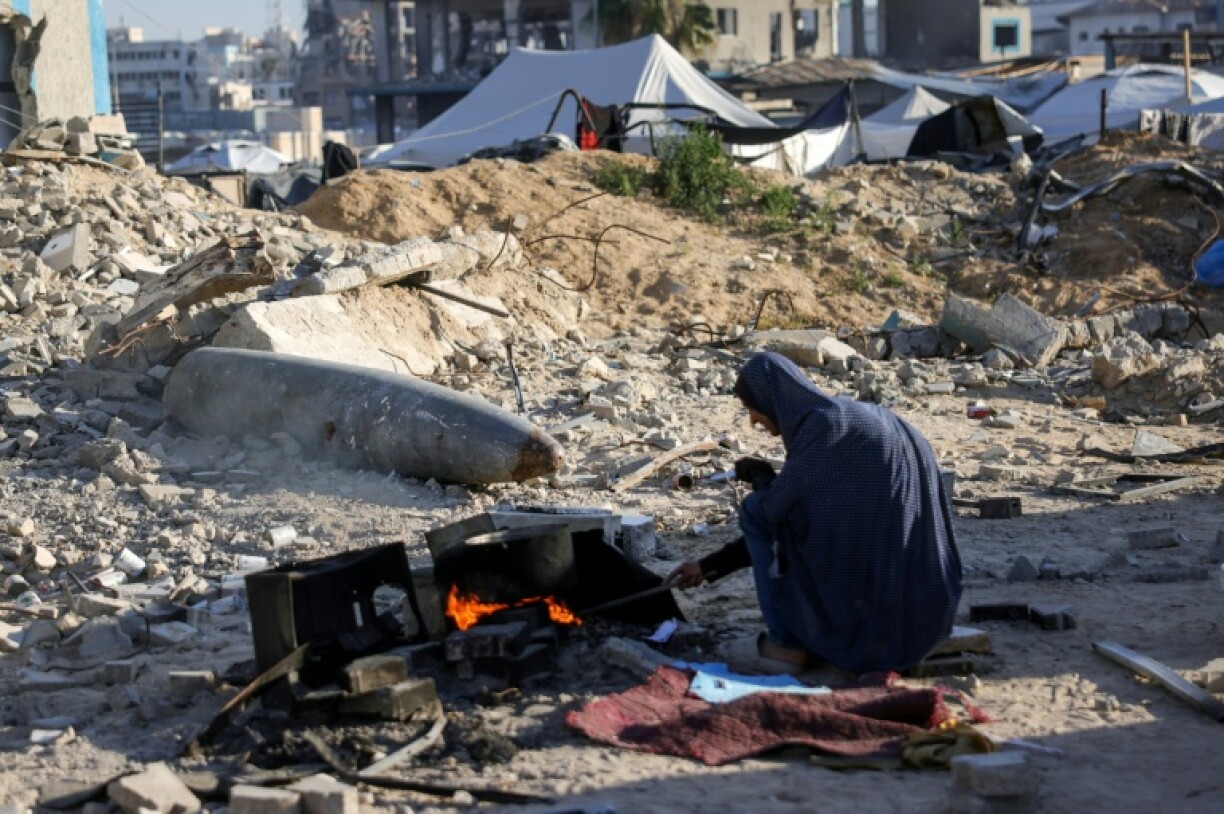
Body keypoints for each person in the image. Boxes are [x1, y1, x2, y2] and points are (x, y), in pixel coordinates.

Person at [669, 352, 962, 675]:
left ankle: (784, 647)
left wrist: (761, 479)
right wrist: (708, 567)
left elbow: (770, 516)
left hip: (881, 619)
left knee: (753, 509)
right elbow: (793, 520)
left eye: (752, 408)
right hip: (927, 612)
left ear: (772, 398)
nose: (753, 420)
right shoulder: (850, 418)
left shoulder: (823, 429)